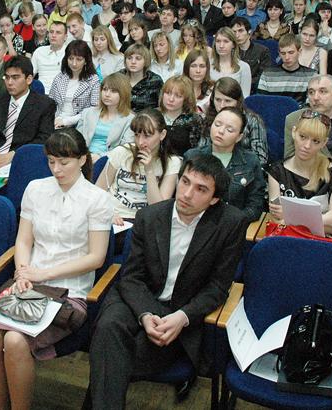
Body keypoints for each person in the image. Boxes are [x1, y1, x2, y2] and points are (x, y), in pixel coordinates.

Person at [86, 153, 246, 409]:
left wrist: (182, 318)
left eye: (200, 189)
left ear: (214, 199)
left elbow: (218, 287)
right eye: (184, 181)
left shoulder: (230, 224)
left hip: (179, 312)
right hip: (137, 299)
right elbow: (131, 277)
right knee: (108, 328)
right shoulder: (149, 217)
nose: (186, 193)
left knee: (111, 357)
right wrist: (145, 313)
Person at [0, 127, 111, 410]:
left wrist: (42, 274)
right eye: (51, 161)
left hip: (69, 292)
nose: (57, 169)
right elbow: (24, 240)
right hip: (29, 285)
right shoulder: (36, 189)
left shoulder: (96, 199)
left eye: (64, 162)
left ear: (82, 159)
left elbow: (96, 257)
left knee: (15, 341)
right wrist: (23, 271)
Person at [268, 110, 332, 236]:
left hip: (322, 244)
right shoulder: (276, 172)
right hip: (287, 241)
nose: (307, 145)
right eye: (303, 137)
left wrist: (290, 217)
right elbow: (278, 222)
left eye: (316, 141)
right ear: (294, 132)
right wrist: (325, 219)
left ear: (324, 143)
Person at [96, 108, 181, 225]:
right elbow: (98, 191)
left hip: (142, 223)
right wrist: (107, 212)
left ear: (162, 135)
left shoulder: (172, 162)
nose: (140, 142)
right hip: (111, 215)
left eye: (147, 136)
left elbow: (159, 210)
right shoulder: (122, 152)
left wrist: (149, 171)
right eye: (136, 135)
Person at [186, 106, 265, 223]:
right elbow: (183, 196)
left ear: (239, 137)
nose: (221, 131)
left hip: (234, 226)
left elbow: (255, 205)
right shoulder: (192, 156)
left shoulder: (250, 161)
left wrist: (231, 223)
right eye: (217, 124)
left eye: (229, 129)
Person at [0, 55, 55, 170]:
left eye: (15, 77)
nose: (9, 82)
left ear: (29, 79)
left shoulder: (44, 105)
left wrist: (13, 155)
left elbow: (43, 139)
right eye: (6, 77)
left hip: (23, 159)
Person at [77, 72, 134, 159]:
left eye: (113, 91)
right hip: (84, 157)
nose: (107, 94)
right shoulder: (87, 113)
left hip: (110, 160)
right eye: (104, 89)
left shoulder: (130, 119)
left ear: (123, 94)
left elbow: (125, 149)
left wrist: (100, 156)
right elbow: (76, 140)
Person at [256, 34, 316, 103]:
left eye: (291, 52)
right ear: (279, 53)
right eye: (283, 53)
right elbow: (261, 102)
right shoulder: (267, 74)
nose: (287, 57)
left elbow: (311, 104)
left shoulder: (311, 76)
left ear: (299, 51)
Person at [158, 76, 202, 157]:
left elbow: (196, 150)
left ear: (186, 99)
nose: (171, 99)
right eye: (168, 93)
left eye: (178, 96)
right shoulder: (153, 115)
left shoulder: (194, 120)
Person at [119, 44, 163, 113]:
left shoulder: (155, 81)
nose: (133, 62)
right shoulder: (118, 77)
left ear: (146, 61)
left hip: (146, 121)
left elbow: (162, 107)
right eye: (129, 58)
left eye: (138, 58)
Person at [210, 27, 253, 96]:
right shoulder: (207, 64)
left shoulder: (244, 67)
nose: (221, 46)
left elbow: (245, 96)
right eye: (218, 41)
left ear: (233, 44)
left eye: (226, 41)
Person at [31, 21, 69, 93]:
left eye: (58, 32)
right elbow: (30, 75)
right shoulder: (39, 51)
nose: (53, 35)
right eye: (51, 32)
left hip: (62, 94)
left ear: (65, 37)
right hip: (40, 94)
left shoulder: (69, 53)